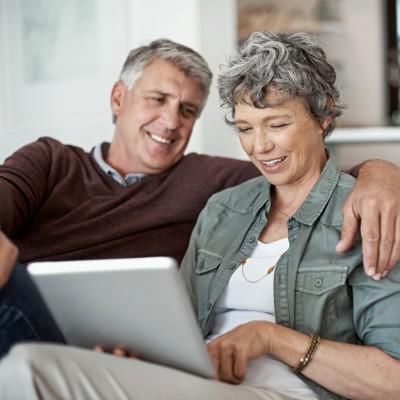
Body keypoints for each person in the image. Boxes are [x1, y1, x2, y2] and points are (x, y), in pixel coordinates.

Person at [1, 32, 400, 400]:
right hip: (199, 382)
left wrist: (269, 337)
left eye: (277, 124)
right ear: (118, 98)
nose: (260, 147)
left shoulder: (367, 211)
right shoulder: (225, 207)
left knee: (28, 369)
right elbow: (182, 330)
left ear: (324, 116)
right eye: (245, 128)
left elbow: (393, 378)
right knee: (27, 368)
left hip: (285, 391)